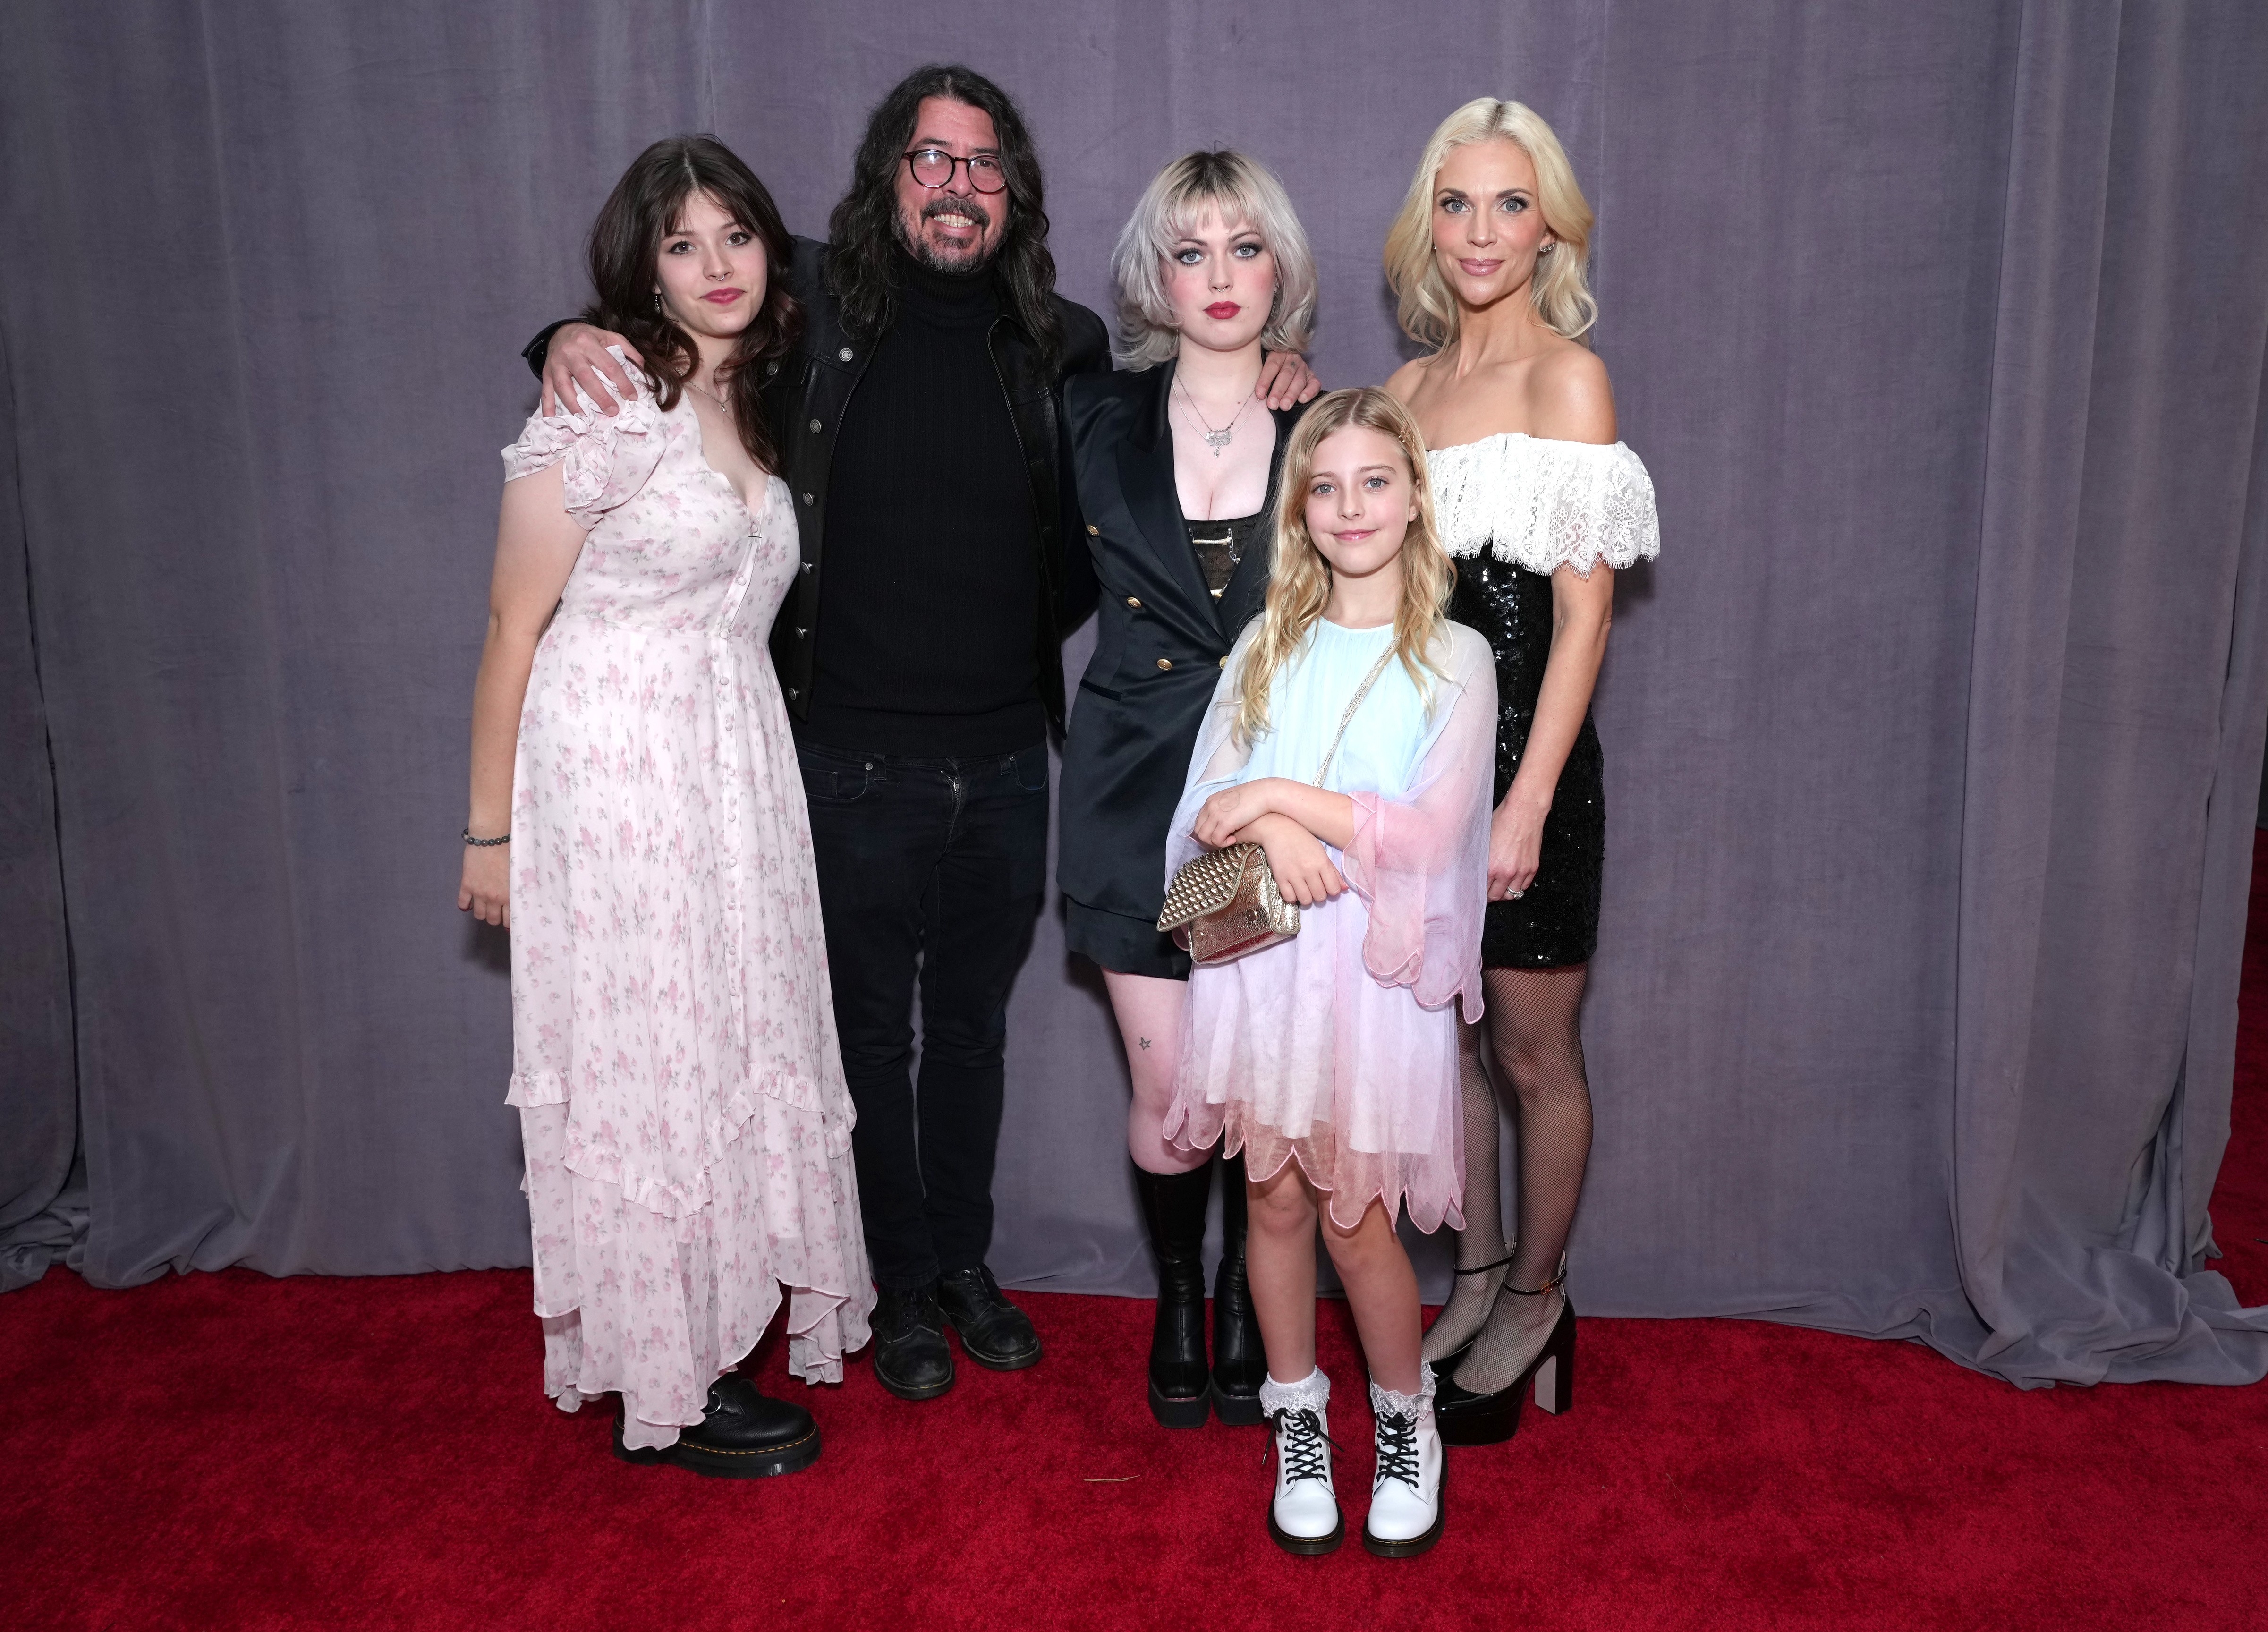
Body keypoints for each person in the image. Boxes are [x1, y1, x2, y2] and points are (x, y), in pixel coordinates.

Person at [529, 67, 1315, 1403]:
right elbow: (672, 309)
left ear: (1014, 191)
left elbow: (1134, 476)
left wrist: (1283, 362)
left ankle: (961, 1263)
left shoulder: (1058, 345)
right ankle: (891, 1284)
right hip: (842, 759)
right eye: (930, 159)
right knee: (861, 1043)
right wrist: (562, 333)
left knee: (968, 1036)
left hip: (1010, 762)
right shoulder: (810, 303)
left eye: (984, 163)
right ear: (887, 176)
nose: (958, 184)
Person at [459, 135, 870, 1476]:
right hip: (618, 777)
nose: (715, 266)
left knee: (726, 1043)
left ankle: (696, 1338)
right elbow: (514, 626)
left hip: (735, 772)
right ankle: (667, 1383)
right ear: (643, 268)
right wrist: (490, 835)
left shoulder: (753, 401)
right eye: (681, 245)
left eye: (735, 236)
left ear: (770, 249)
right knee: (653, 1068)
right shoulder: (601, 404)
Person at [1163, 388, 1496, 1556]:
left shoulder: (1455, 656)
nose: (1349, 507)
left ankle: (1406, 1424)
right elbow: (1202, 809)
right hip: (1261, 972)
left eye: (1374, 483)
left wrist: (1275, 799)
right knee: (1270, 1197)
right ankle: (1296, 1418)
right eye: (1324, 486)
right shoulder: (1267, 644)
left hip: (1369, 983)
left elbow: (1425, 838)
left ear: (1413, 502)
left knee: (1357, 1219)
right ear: (1299, 513)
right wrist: (1270, 828)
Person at [1383, 98, 1660, 1444]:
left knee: (1532, 1052)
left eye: (1507, 203)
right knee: (1447, 1044)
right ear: (1424, 224)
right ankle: (1479, 1272)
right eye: (1455, 203)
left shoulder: (1566, 376)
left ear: (1546, 220)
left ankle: (1541, 1298)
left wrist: (1530, 802)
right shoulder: (1402, 392)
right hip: (1415, 770)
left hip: (1523, 772)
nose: (1480, 231)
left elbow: (1586, 614)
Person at [1060, 151, 1320, 1428]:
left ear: (1280, 267)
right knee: (1169, 1095)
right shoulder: (1092, 415)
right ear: (1152, 278)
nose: (1219, 275)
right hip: (1126, 793)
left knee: (1246, 1081)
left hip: (1253, 806)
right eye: (1190, 250)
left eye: (1244, 246)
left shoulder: (1330, 426)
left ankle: (1245, 1287)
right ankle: (1183, 1299)